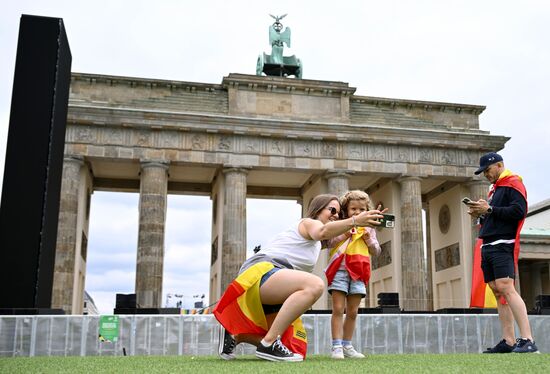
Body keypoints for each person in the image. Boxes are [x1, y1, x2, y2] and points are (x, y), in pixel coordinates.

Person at [213, 194, 384, 362]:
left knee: (295, 349)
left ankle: (236, 335)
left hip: (274, 284)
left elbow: (338, 237)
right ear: (318, 209)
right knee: (315, 285)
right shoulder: (310, 223)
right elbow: (323, 231)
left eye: (339, 213)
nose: (335, 215)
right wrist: (354, 220)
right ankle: (269, 343)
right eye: (332, 210)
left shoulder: (317, 242)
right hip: (261, 273)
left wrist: (367, 224)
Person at [467, 152, 539, 354]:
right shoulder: (495, 189)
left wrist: (489, 210)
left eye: (487, 170)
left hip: (503, 243)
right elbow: (495, 214)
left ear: (499, 165)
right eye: (483, 172)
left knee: (506, 287)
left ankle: (528, 339)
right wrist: (480, 213)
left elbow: (518, 211)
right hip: (488, 244)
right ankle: (508, 340)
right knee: (497, 290)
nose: (486, 175)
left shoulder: (513, 183)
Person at [325, 190, 381, 359]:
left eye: (361, 209)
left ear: (367, 210)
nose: (357, 212)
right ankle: (336, 347)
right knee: (337, 309)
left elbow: (376, 251)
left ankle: (347, 345)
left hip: (359, 271)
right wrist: (345, 233)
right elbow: (328, 242)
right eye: (353, 209)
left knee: (353, 311)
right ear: (346, 210)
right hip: (340, 270)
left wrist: (367, 239)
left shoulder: (369, 230)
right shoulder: (342, 225)